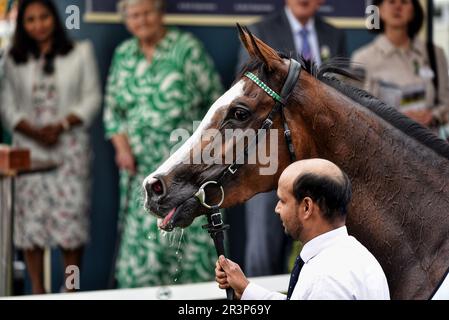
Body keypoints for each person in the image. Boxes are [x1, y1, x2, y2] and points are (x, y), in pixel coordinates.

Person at [104, 0, 223, 288]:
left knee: (190, 243)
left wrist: (203, 154)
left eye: (147, 13)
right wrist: (122, 148)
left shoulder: (186, 49)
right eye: (134, 15)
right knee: (142, 249)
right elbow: (113, 111)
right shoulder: (124, 54)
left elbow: (216, 105)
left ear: (160, 14)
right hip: (142, 171)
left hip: (186, 170)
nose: (141, 20)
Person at [238, 0, 348, 278]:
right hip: (272, 159)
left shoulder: (334, 35)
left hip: (321, 161)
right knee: (265, 252)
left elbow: (346, 93)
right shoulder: (259, 31)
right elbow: (245, 97)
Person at [0, 0, 101, 294]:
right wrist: (32, 130)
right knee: (31, 229)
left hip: (69, 151)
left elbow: (91, 99)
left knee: (71, 230)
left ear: (54, 19)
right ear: (23, 25)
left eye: (43, 17)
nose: (38, 24)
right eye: (30, 20)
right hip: (28, 152)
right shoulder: (12, 58)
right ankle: (38, 292)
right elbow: (6, 107)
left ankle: (71, 291)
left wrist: (61, 125)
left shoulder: (80, 52)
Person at [215, 159, 390, 300]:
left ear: (306, 207)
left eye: (283, 201)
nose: (277, 209)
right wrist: (246, 289)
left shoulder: (326, 279)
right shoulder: (354, 256)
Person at [351, 0, 449, 139]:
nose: (398, 6)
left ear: (413, 10)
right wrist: (396, 119)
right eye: (391, 1)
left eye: (404, 2)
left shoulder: (434, 54)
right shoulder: (362, 58)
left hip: (431, 149)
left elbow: (446, 104)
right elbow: (356, 112)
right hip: (385, 149)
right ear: (379, 10)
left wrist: (432, 116)